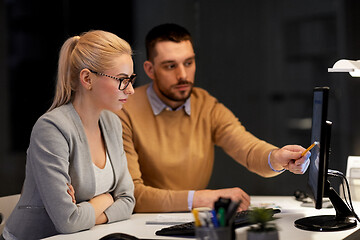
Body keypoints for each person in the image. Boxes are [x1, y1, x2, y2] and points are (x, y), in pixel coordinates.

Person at [117, 23, 310, 213]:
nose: (183, 75)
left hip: (194, 219)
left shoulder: (205, 105)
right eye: (170, 66)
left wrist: (277, 157)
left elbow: (248, 149)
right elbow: (133, 195)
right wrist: (204, 198)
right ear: (150, 70)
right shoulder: (125, 110)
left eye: (188, 63)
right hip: (143, 223)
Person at [2, 30, 136, 240]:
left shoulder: (112, 123)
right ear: (87, 78)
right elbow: (68, 222)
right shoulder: (51, 128)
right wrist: (107, 199)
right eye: (122, 79)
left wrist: (88, 210)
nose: (130, 90)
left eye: (131, 79)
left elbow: (128, 201)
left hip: (87, 235)